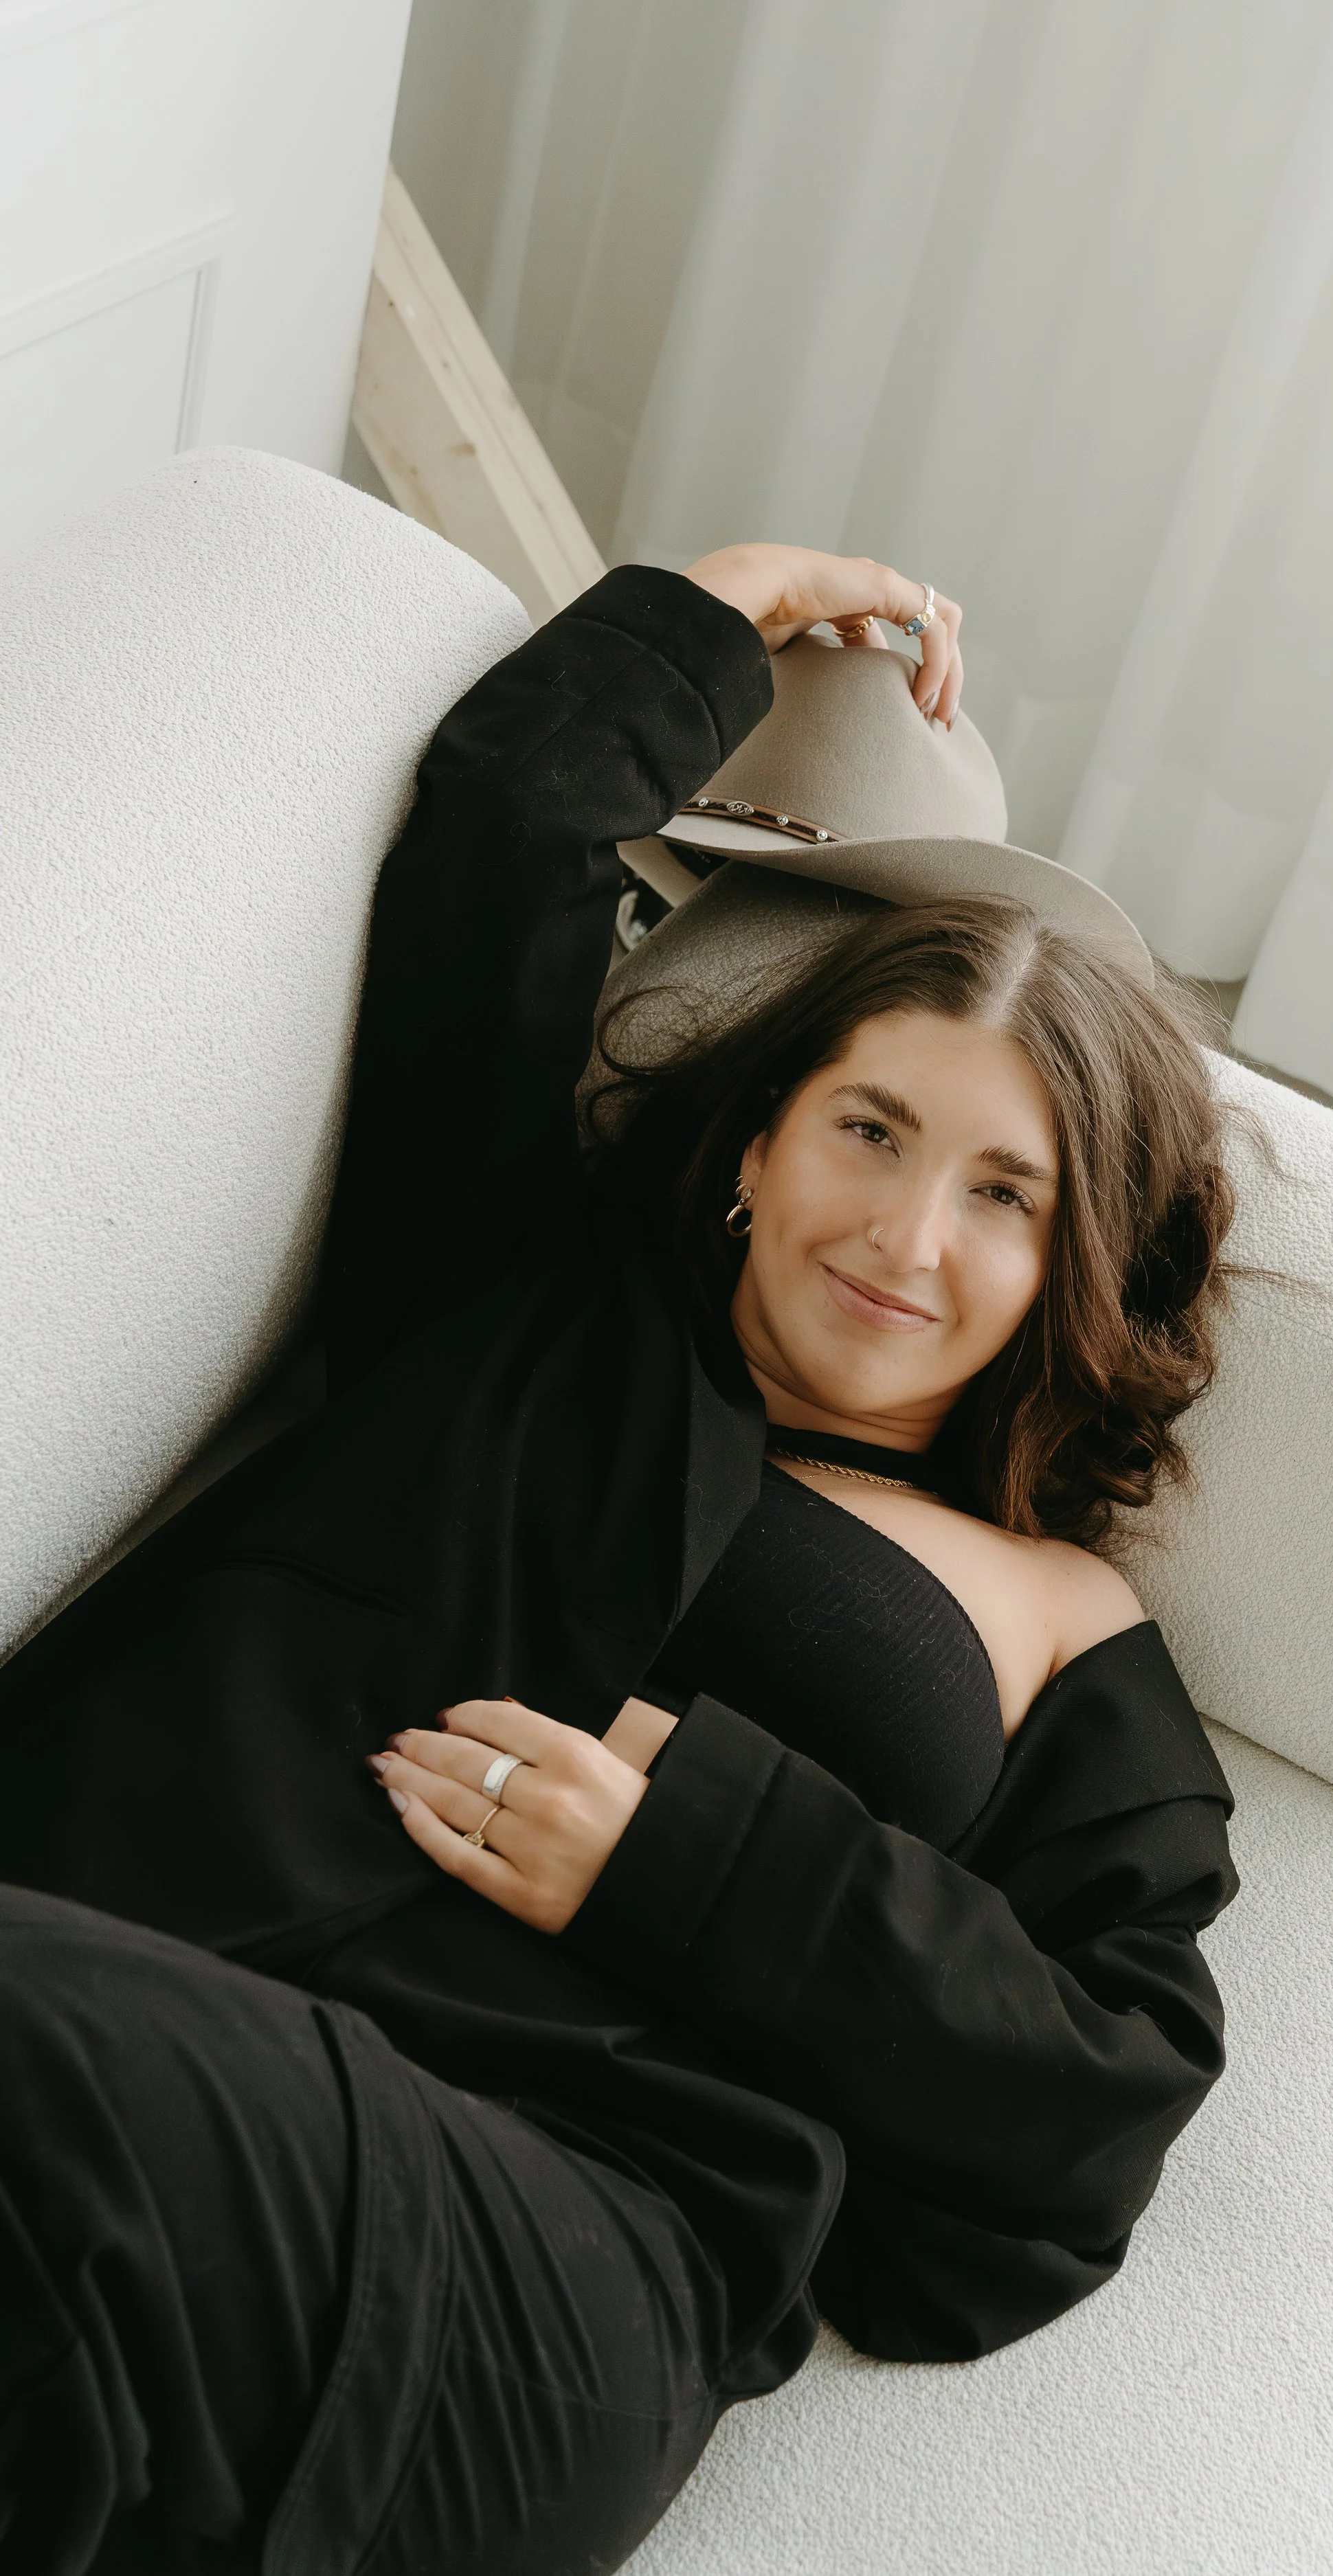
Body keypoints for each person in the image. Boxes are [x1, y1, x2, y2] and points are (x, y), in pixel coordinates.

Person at [0, 545, 1241, 2576]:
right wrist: (717, 603)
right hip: (129, 2007)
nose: (907, 1238)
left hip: (548, 2236)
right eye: (868, 1130)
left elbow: (1097, 2106)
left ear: (1062, 1267)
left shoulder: (1057, 1617)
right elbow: (510, 821)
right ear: (755, 1143)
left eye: (1000, 1192)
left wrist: (685, 1861)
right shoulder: (517, 1291)